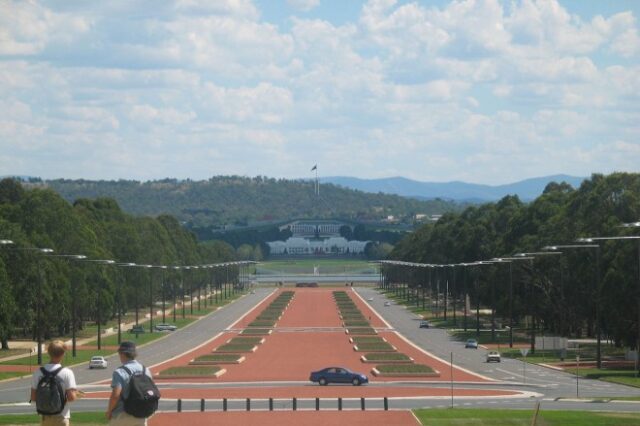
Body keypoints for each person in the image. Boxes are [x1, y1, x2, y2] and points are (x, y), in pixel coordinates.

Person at [30, 340, 78, 426]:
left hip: (45, 417)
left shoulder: (38, 372)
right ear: (63, 354)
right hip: (61, 416)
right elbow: (71, 398)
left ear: (48, 353)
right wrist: (76, 394)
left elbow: (33, 398)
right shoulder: (67, 372)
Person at [106, 341, 153, 425]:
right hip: (141, 415)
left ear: (122, 354)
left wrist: (109, 411)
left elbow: (115, 395)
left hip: (122, 415)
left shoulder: (119, 372)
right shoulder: (146, 370)